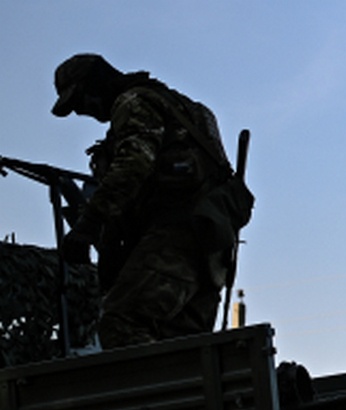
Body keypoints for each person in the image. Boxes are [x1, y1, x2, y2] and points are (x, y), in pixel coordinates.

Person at [52, 53, 235, 349]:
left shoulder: (133, 103)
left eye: (80, 101)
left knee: (121, 323)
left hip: (176, 238)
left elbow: (133, 165)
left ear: (94, 84)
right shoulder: (191, 111)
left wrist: (87, 227)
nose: (81, 112)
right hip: (212, 248)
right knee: (185, 346)